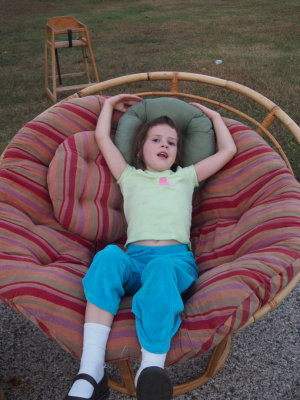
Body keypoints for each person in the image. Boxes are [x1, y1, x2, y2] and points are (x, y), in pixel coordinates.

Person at [65, 94, 237, 400]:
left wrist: (213, 116)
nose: (164, 146)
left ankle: (151, 370)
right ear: (140, 149)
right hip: (135, 260)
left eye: (171, 143)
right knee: (107, 257)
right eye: (156, 139)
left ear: (177, 153)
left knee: (160, 268)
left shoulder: (185, 177)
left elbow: (228, 150)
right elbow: (103, 137)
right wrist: (108, 105)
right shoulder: (129, 177)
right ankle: (91, 370)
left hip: (174, 263)